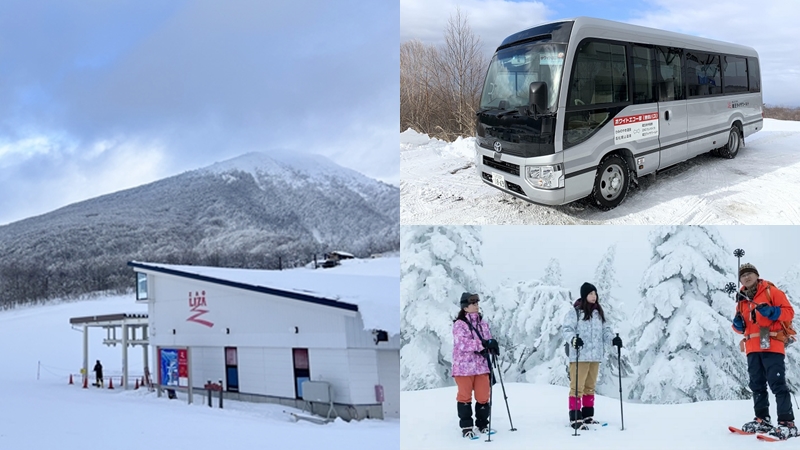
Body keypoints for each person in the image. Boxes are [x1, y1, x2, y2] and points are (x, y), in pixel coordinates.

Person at [732, 263, 797, 440]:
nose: (746, 277)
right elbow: (741, 327)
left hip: (770, 342)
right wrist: (737, 325)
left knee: (777, 384)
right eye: (743, 275)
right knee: (757, 385)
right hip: (752, 346)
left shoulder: (771, 291)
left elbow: (789, 313)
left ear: (756, 275)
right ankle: (762, 419)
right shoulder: (742, 299)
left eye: (749, 274)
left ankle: (787, 423)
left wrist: (773, 312)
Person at [562, 282, 622, 429]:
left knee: (590, 387)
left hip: (595, 356)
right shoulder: (575, 312)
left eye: (595, 294)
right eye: (590, 294)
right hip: (579, 356)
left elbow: (606, 331)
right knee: (577, 388)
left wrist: (613, 339)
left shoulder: (598, 314)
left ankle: (587, 416)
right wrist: (573, 339)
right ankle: (575, 418)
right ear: (584, 295)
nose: (594, 296)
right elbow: (566, 329)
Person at [452, 292, 499, 439]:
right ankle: (466, 427)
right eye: (473, 304)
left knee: (483, 395)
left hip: (481, 366)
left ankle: (483, 424)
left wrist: (492, 344)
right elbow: (462, 343)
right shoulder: (459, 324)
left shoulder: (482, 323)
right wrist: (482, 344)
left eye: (477, 303)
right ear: (465, 308)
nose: (476, 306)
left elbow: (487, 339)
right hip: (464, 367)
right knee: (465, 397)